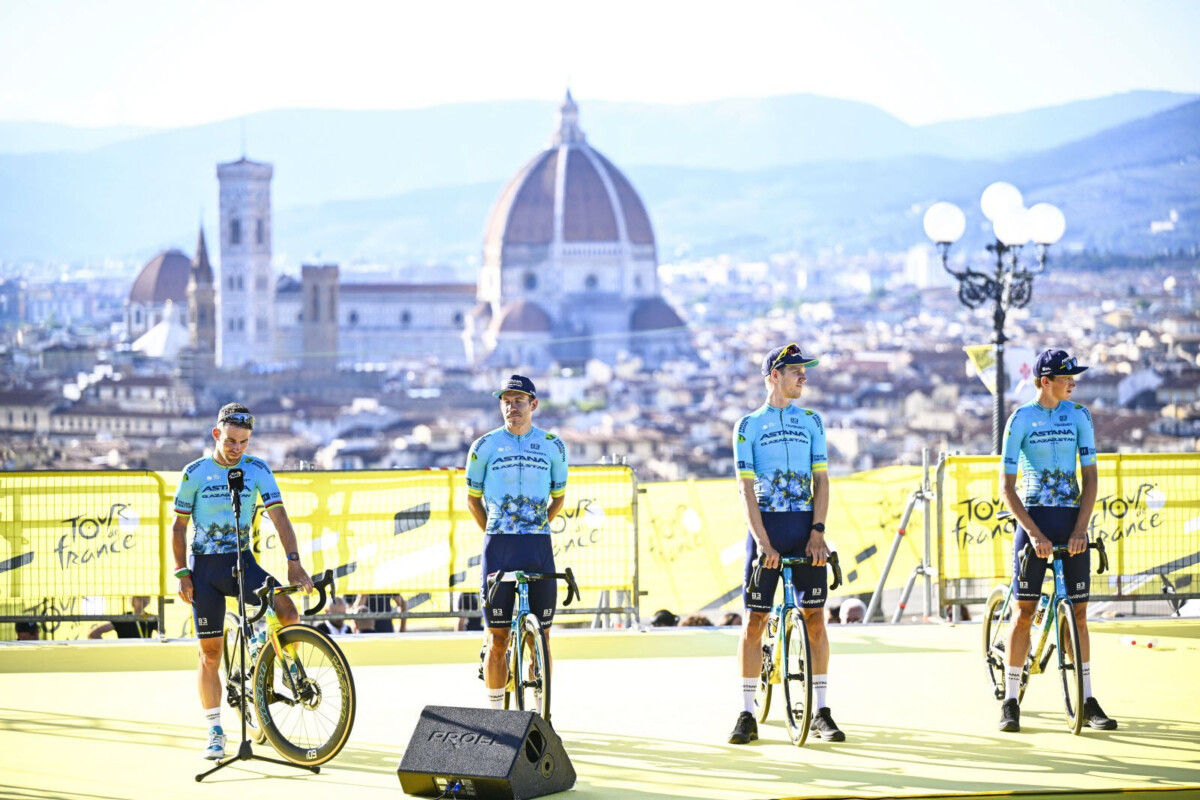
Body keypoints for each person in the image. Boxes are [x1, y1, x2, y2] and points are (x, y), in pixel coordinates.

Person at [172, 403, 314, 760]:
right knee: (210, 654)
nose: (237, 449)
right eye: (232, 441)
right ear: (217, 434)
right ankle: (215, 730)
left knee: (288, 611)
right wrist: (181, 573)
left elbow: (279, 517)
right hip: (204, 571)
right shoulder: (194, 472)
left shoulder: (257, 470)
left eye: (245, 442)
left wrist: (294, 563)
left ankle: (287, 669)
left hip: (243, 563)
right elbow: (178, 526)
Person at [729, 343, 844, 744]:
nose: (804, 376)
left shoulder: (812, 420)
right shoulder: (747, 425)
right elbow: (745, 491)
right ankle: (746, 714)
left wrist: (819, 531)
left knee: (815, 618)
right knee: (754, 621)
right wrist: (763, 543)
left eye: (804, 370)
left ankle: (822, 711)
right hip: (767, 531)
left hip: (804, 530)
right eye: (796, 370)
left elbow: (822, 481)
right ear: (774, 375)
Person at [997, 349, 1116, 733]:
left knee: (1079, 613)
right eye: (1067, 377)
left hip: (1071, 520)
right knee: (1024, 613)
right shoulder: (1020, 419)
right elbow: (1006, 488)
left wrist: (1081, 529)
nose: (1074, 382)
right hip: (1034, 520)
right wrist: (1032, 533)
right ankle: (1011, 699)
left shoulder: (1079, 415)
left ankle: (1087, 698)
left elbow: (1091, 478)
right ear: (1045, 381)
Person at [465, 375, 568, 710]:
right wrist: (495, 532)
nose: (512, 407)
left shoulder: (554, 445)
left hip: (538, 546)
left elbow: (558, 499)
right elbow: (472, 501)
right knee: (498, 638)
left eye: (519, 401)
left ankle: (542, 713)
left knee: (544, 636)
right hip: (500, 547)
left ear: (533, 405)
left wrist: (534, 525)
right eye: (506, 401)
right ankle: (496, 715)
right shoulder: (484, 447)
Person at [88, 596, 159, 639]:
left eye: (147, 598)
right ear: (132, 600)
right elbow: (93, 634)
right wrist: (107, 651)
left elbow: (162, 634)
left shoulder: (151, 618)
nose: (144, 600)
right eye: (139, 598)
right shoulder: (123, 619)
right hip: (125, 658)